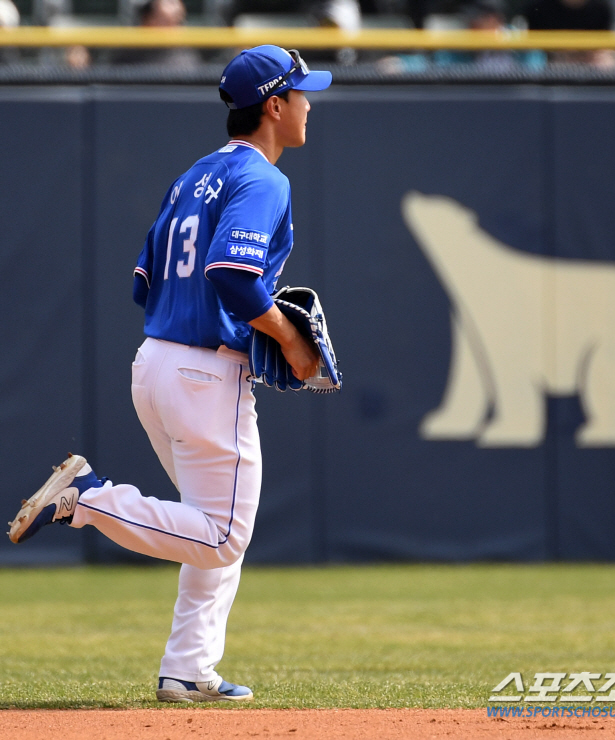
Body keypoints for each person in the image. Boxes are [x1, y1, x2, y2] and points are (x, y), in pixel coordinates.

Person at [8, 45, 331, 703]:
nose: (308, 105)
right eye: (301, 93)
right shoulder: (265, 180)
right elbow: (233, 275)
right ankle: (89, 497)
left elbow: (144, 280)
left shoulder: (193, 176)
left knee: (206, 525)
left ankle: (188, 669)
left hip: (155, 362)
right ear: (274, 106)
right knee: (219, 536)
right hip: (204, 374)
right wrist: (287, 337)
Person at [522, 0, 615, 68]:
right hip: (554, 62)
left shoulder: (600, 7)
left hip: (589, 59)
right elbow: (533, 50)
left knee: (607, 60)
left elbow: (606, 46)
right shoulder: (538, 8)